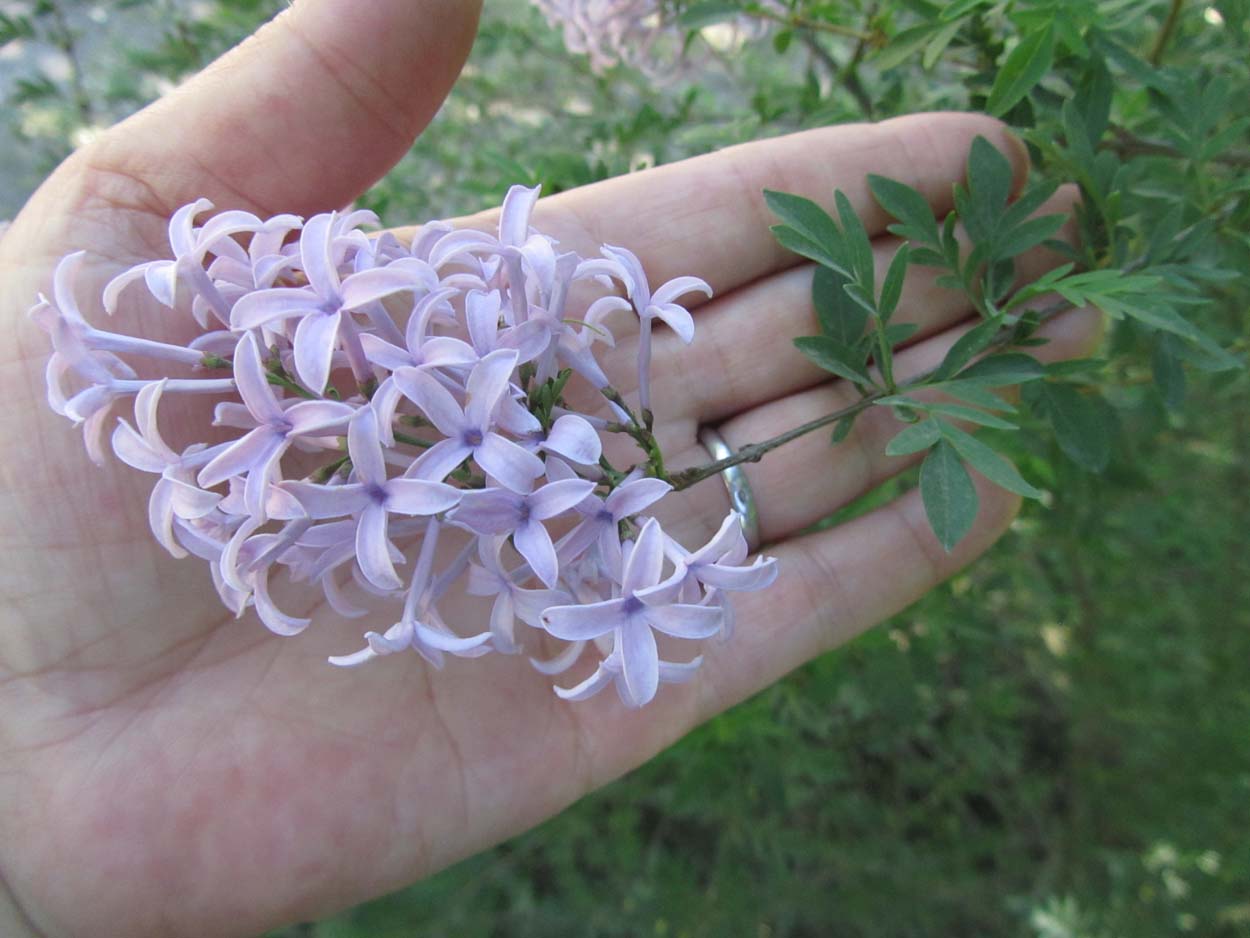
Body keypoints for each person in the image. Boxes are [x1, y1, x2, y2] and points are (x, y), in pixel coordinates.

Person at [0, 2, 1100, 936]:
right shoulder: (346, 453)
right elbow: (416, 479)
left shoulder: (435, 407)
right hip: (510, 464)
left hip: (526, 434)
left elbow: (453, 447)